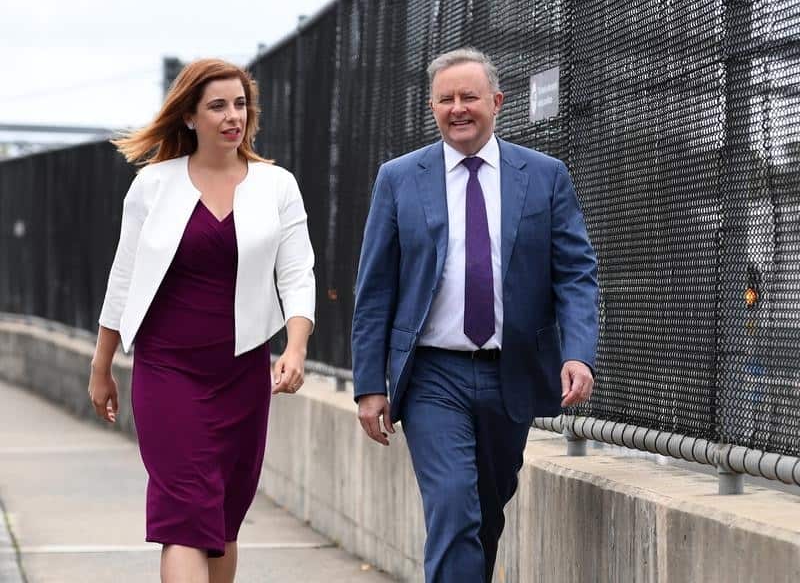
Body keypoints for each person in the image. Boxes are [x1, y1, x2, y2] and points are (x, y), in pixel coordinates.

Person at [351, 48, 599, 582]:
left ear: (496, 102)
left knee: (485, 516)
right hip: (431, 376)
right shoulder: (399, 179)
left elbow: (576, 275)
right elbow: (374, 289)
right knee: (453, 510)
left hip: (511, 373)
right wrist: (370, 382)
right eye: (445, 99)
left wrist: (578, 353)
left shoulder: (544, 176)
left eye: (469, 97)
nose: (457, 108)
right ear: (433, 107)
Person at [88, 58, 315, 583]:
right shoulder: (152, 186)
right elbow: (122, 280)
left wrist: (296, 347)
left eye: (240, 104)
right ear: (189, 116)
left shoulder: (276, 185)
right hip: (167, 369)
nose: (233, 116)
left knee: (222, 524)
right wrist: (102, 366)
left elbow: (298, 274)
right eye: (218, 106)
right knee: (186, 517)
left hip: (242, 373)